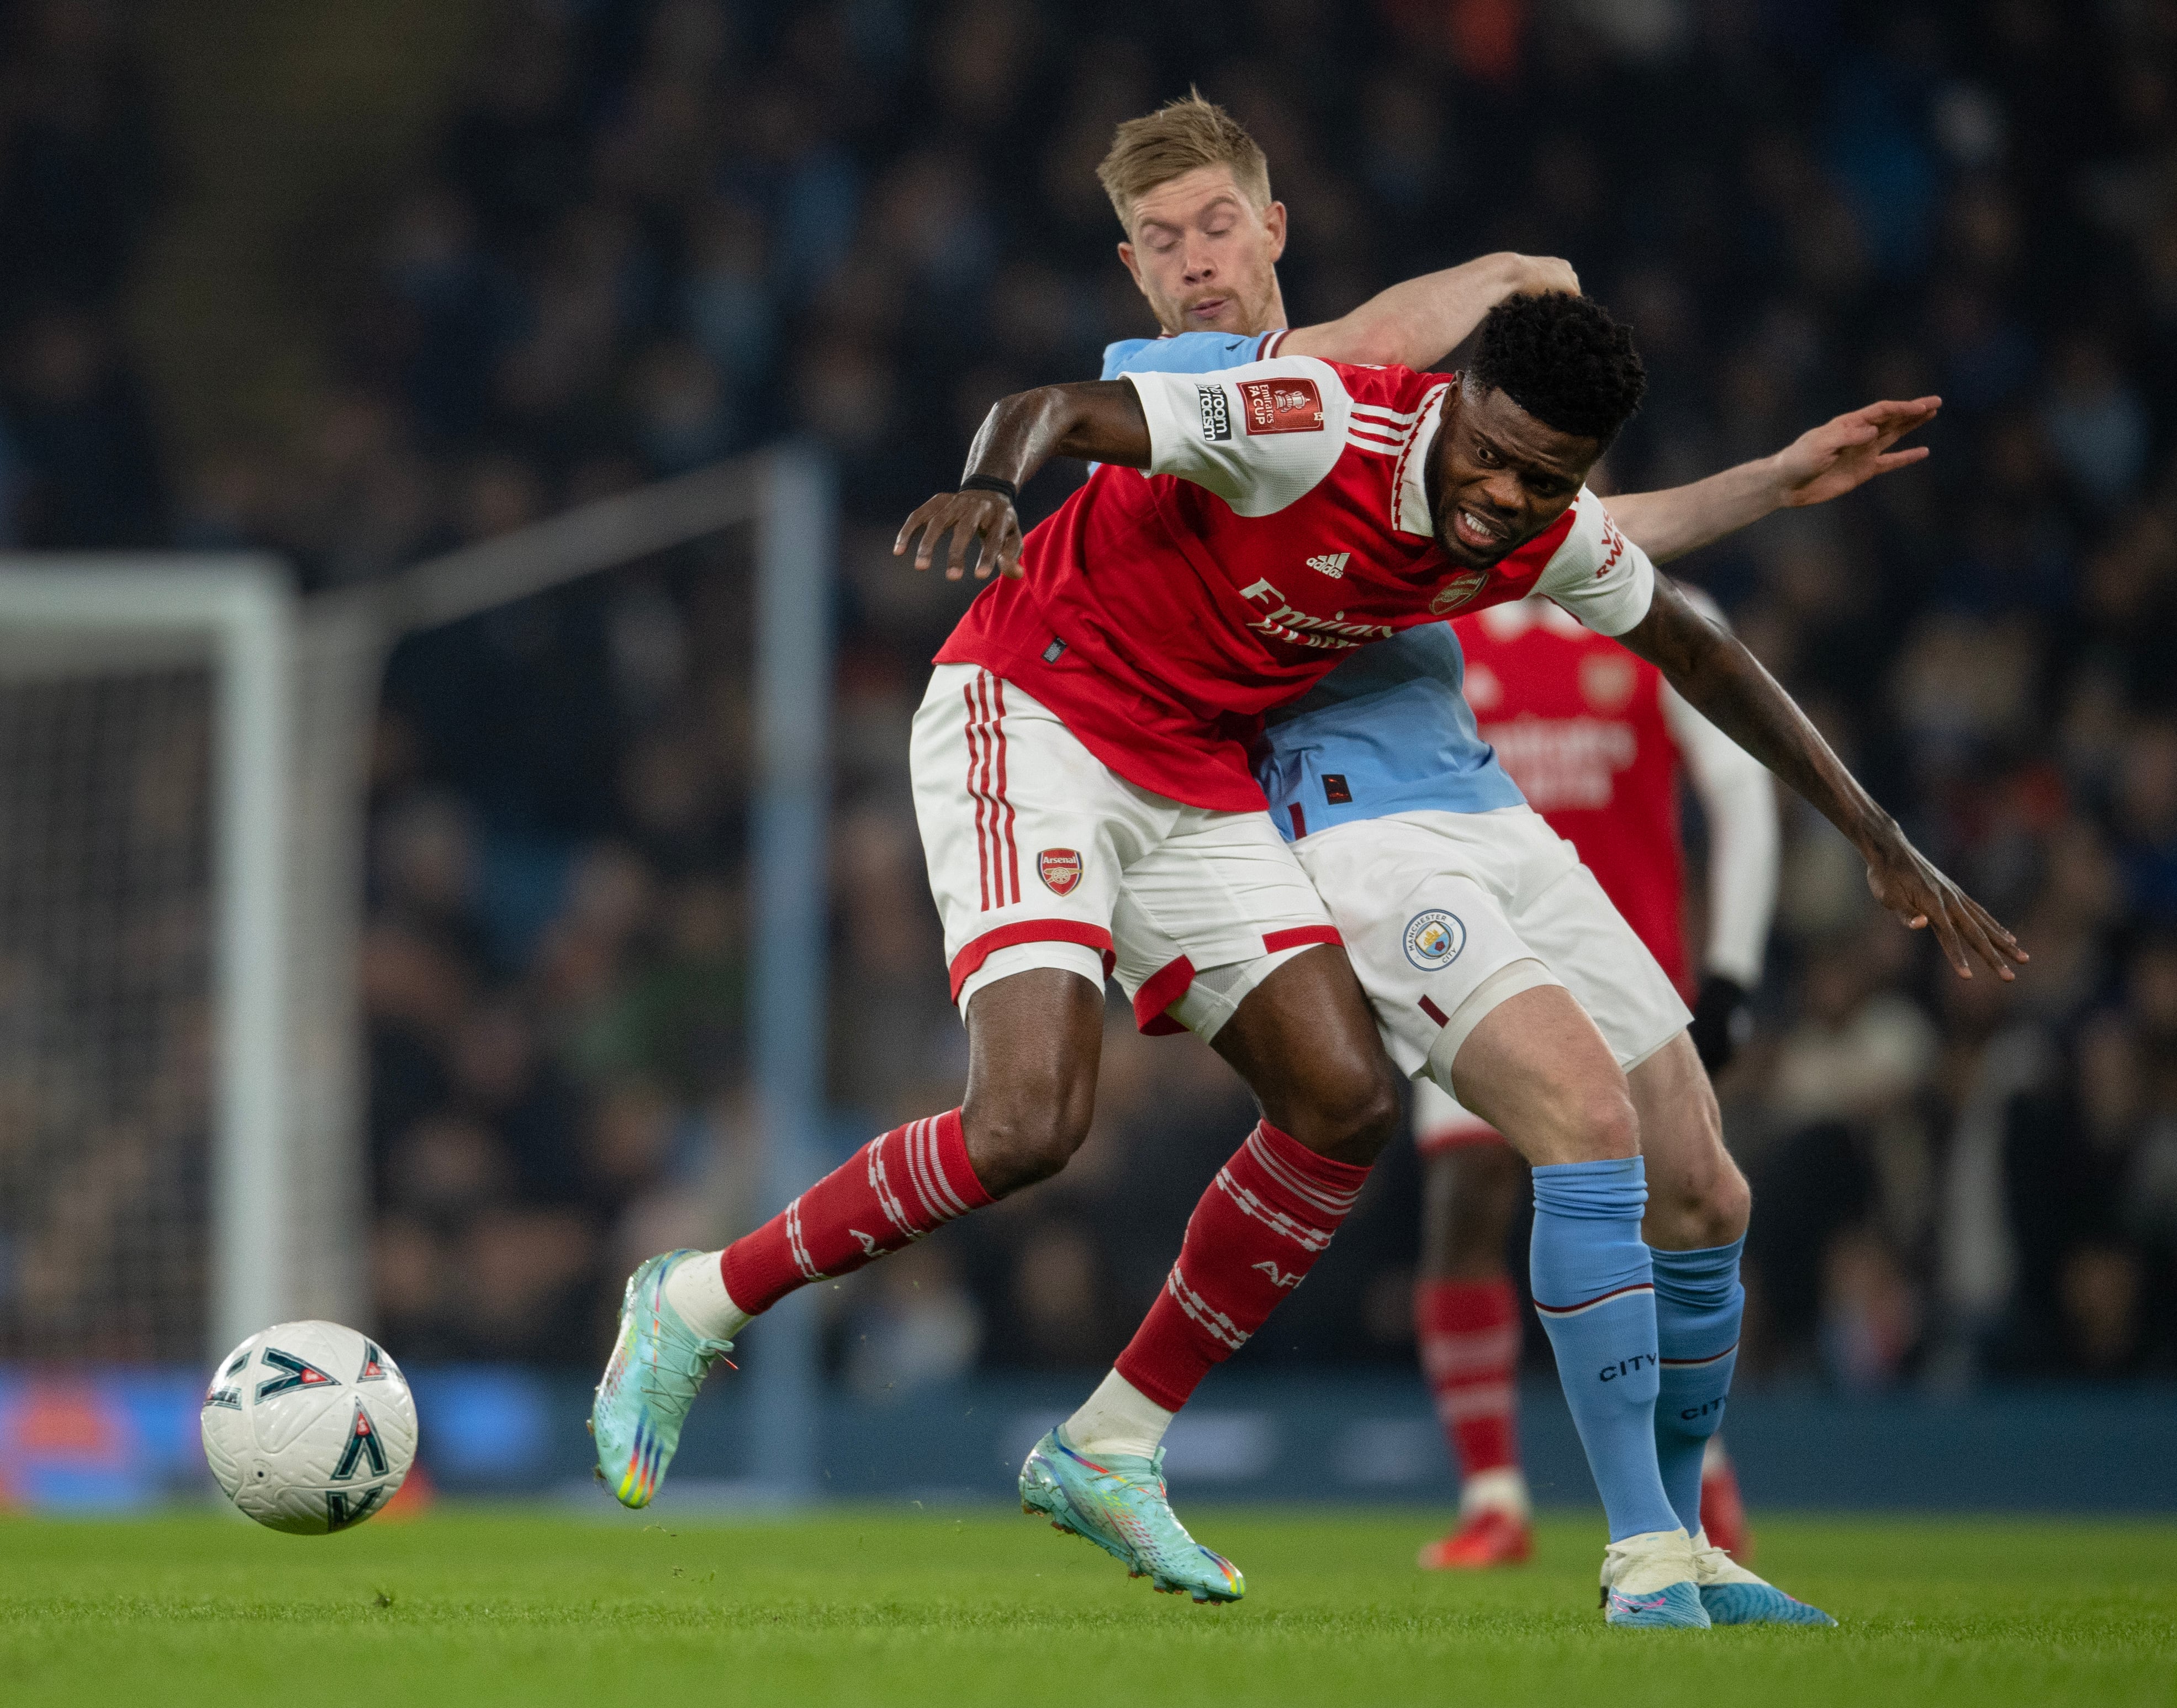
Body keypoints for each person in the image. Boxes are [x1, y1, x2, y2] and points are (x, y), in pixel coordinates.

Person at [593, 281, 2019, 1633]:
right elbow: (1068, 408)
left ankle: (1108, 1442)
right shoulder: (1312, 423)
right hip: (1031, 708)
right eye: (1499, 458)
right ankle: (701, 1297)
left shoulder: (1529, 529)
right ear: (1450, 396)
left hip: (1192, 767)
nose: (1506, 499)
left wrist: (1876, 834)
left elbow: (1698, 657)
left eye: (1545, 477)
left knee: (1340, 1099)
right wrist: (993, 477)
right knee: (1029, 1120)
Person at [1407, 586, 1775, 1572]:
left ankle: (1699, 1481)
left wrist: (1732, 967)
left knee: (1667, 1216)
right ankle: (1492, 1499)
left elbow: (1739, 789)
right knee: (1463, 1198)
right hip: (1468, 965)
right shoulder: (1433, 616)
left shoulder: (1654, 610)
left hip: (1627, 975)